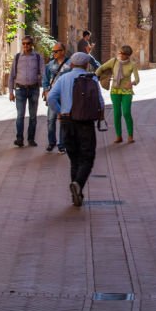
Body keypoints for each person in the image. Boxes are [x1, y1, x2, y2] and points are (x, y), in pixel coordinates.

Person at [47, 52, 105, 207]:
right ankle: (78, 184)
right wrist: (100, 117)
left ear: (71, 64)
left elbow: (51, 98)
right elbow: (100, 101)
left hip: (67, 121)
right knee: (87, 157)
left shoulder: (63, 78)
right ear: (86, 65)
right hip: (85, 123)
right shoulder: (91, 78)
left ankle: (76, 194)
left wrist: (60, 111)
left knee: (74, 158)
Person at [97, 45, 141, 144]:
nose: (119, 54)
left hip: (126, 91)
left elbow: (137, 79)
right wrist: (95, 77)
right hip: (115, 91)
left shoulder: (132, 65)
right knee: (117, 114)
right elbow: (102, 68)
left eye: (121, 53)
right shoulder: (114, 61)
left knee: (126, 112)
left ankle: (130, 135)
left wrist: (132, 83)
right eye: (119, 53)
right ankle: (118, 136)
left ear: (127, 55)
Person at [8, 35, 44, 147]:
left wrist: (46, 89)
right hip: (20, 89)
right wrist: (10, 92)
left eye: (27, 43)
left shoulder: (38, 57)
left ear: (31, 44)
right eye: (23, 43)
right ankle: (19, 138)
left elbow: (43, 73)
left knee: (33, 116)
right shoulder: (18, 57)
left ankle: (31, 139)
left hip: (34, 89)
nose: (25, 45)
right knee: (20, 115)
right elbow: (12, 75)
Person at [43, 42, 70, 153]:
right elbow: (45, 80)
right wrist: (45, 91)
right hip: (53, 96)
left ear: (63, 51)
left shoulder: (70, 64)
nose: (53, 53)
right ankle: (51, 142)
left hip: (65, 96)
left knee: (63, 120)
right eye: (53, 51)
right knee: (51, 120)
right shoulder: (50, 65)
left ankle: (62, 144)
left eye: (56, 51)